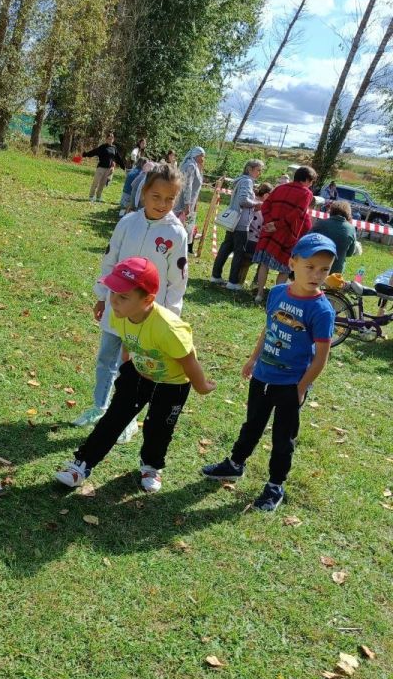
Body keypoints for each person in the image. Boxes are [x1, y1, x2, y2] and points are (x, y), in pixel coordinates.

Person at [56, 257, 215, 494]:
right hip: (138, 375)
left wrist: (201, 386)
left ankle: (151, 466)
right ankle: (81, 465)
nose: (114, 302)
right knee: (113, 419)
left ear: (148, 299)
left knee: (158, 429)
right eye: (113, 294)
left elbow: (188, 359)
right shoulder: (118, 314)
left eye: (123, 297)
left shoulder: (169, 328)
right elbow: (129, 342)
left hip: (171, 385)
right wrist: (128, 366)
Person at [201, 233, 337, 512]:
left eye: (324, 269)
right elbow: (268, 329)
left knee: (282, 438)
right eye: (310, 267)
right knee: (252, 424)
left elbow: (322, 357)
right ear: (293, 263)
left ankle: (275, 485)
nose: (316, 275)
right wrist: (253, 359)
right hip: (263, 375)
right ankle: (235, 464)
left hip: (291, 384)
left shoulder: (322, 311)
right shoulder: (276, 293)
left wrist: (301, 388)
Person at [73, 163, 188, 444]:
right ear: (144, 192)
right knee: (106, 357)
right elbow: (110, 260)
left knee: (135, 368)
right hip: (117, 307)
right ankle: (99, 406)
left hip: (147, 317)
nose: (162, 204)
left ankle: (127, 419)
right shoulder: (128, 223)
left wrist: (170, 318)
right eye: (156, 196)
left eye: (170, 198)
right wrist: (102, 296)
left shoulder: (177, 233)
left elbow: (177, 281)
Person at [252, 165, 316, 305]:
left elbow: (265, 205)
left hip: (270, 231)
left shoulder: (279, 188)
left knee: (264, 264)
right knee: (285, 268)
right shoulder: (306, 193)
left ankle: (259, 294)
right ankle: (275, 298)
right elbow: (298, 212)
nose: (311, 185)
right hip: (287, 234)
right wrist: (277, 225)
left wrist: (270, 223)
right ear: (306, 180)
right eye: (311, 182)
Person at [210, 159, 264, 291]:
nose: (259, 173)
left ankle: (215, 275)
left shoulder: (242, 180)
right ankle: (233, 281)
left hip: (234, 221)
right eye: (258, 170)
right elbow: (243, 200)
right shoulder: (247, 181)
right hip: (241, 222)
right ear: (250, 169)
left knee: (226, 248)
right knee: (239, 253)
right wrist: (256, 204)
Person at [240, 182, 273, 288]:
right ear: (266, 195)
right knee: (263, 262)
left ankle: (240, 280)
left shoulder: (251, 202)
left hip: (246, 237)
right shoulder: (263, 208)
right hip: (256, 241)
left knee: (244, 263)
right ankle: (256, 284)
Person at [311, 200, 357, 275]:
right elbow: (350, 253)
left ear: (331, 211)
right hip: (336, 271)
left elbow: (306, 241)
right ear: (348, 214)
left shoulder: (320, 223)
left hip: (316, 266)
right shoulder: (351, 229)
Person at [173, 147, 205, 253]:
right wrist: (187, 204)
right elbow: (187, 186)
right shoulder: (190, 166)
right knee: (179, 224)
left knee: (185, 225)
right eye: (202, 155)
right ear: (197, 155)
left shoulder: (195, 166)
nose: (204, 158)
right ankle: (175, 247)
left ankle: (180, 247)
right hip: (183, 203)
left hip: (190, 202)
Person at [83, 132, 126, 202]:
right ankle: (91, 196)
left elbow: (118, 158)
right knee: (96, 182)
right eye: (109, 139)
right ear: (106, 139)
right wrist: (86, 154)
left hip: (108, 169)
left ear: (113, 139)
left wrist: (123, 166)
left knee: (102, 184)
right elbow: (94, 152)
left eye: (111, 139)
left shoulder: (114, 148)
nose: (110, 140)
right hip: (101, 168)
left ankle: (98, 197)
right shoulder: (103, 147)